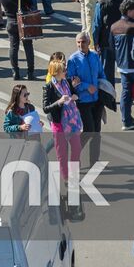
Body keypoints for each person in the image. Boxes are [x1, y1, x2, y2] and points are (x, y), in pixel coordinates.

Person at [41, 51, 83, 202]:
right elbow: (45, 108)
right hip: (59, 123)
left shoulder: (66, 82)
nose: (66, 71)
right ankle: (66, 178)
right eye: (64, 70)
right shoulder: (49, 87)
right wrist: (59, 102)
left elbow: (73, 94)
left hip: (71, 121)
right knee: (62, 152)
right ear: (57, 72)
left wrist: (74, 94)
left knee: (77, 148)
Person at [67, 30, 104, 165]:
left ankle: (94, 161)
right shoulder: (73, 59)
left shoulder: (95, 56)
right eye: (78, 42)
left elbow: (101, 74)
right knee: (89, 130)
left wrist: (105, 91)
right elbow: (71, 82)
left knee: (96, 132)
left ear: (89, 42)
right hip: (83, 101)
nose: (80, 45)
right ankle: (74, 155)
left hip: (97, 99)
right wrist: (86, 86)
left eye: (83, 42)